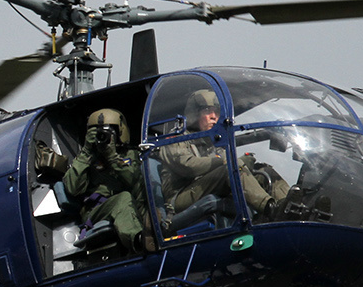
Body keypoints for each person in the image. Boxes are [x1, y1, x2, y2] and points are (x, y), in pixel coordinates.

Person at [159, 90, 291, 230]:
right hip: (180, 198)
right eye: (208, 111)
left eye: (216, 112)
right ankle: (270, 208)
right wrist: (226, 160)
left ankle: (288, 206)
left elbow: (222, 164)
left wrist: (243, 162)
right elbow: (189, 166)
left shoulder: (212, 141)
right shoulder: (176, 138)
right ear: (195, 113)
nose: (214, 117)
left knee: (264, 172)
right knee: (232, 166)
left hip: (206, 187)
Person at [63, 108, 154, 253]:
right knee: (123, 198)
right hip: (98, 209)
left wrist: (112, 157)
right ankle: (138, 240)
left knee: (145, 193)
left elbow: (135, 180)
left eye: (108, 133)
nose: (102, 137)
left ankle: (156, 232)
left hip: (133, 204)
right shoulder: (87, 159)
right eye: (96, 134)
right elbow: (72, 188)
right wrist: (86, 151)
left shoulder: (131, 155)